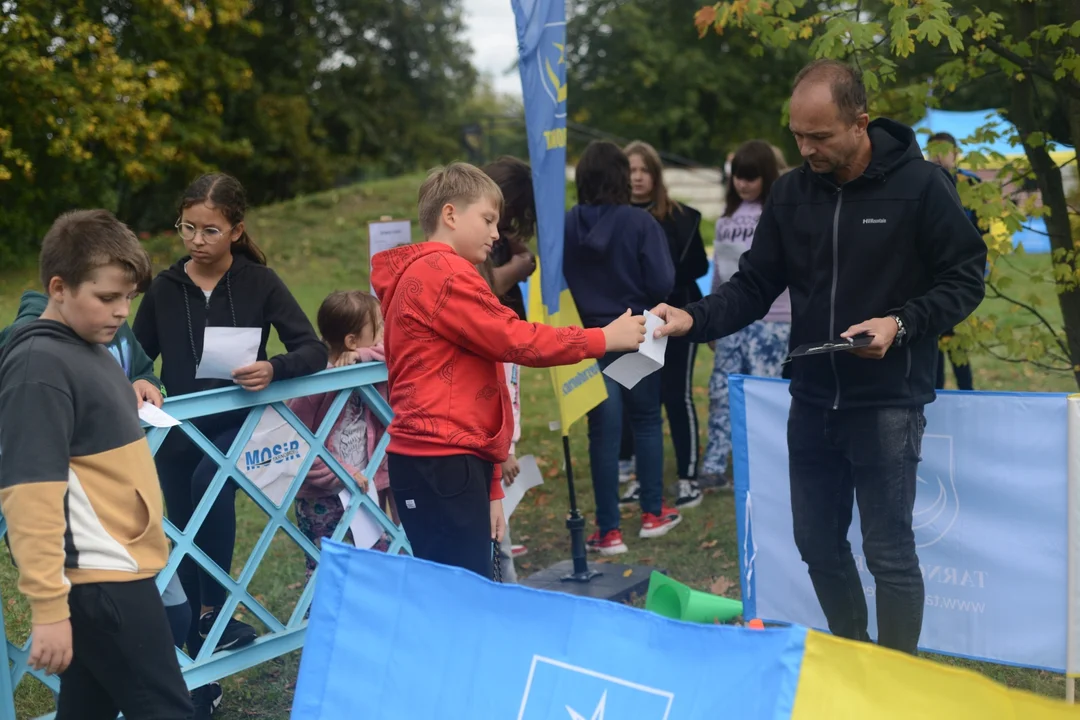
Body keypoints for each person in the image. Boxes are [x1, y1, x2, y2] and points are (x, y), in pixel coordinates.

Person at [651, 59, 987, 655]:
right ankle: (856, 655)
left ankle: (897, 673)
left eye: (820, 136)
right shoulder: (790, 193)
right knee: (817, 546)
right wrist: (691, 317)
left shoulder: (922, 186)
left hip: (887, 401)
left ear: (860, 123)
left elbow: (965, 279)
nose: (805, 148)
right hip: (810, 400)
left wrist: (901, 323)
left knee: (888, 553)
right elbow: (754, 285)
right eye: (796, 135)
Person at [371, 162, 645, 578]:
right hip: (442, 460)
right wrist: (604, 339)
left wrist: (493, 486)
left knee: (454, 588)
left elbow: (483, 376)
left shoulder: (422, 272)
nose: (496, 233)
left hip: (439, 458)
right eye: (487, 220)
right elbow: (516, 340)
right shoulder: (445, 275)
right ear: (450, 215)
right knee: (465, 596)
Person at [0, 210, 192, 719]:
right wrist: (48, 610)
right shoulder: (38, 366)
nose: (122, 311)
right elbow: (29, 494)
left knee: (89, 711)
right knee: (167, 710)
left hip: (110, 571)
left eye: (129, 298)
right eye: (107, 297)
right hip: (102, 580)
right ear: (58, 288)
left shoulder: (86, 349)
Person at [133, 173, 327, 666]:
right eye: (188, 228)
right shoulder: (164, 288)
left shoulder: (259, 282)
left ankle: (214, 611)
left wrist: (274, 367)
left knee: (209, 480)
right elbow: (136, 354)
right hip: (180, 428)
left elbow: (313, 349)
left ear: (236, 230)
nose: (197, 241)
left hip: (242, 423)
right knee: (182, 524)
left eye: (210, 230)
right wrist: (139, 378)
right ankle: (201, 652)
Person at [563, 140, 679, 556]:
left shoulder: (566, 224)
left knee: (602, 435)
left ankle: (608, 531)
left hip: (589, 338)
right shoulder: (640, 223)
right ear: (620, 177)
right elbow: (664, 282)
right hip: (638, 332)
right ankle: (652, 513)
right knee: (647, 421)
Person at [619, 140, 710, 510]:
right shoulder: (616, 218)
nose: (638, 177)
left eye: (644, 170)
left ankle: (688, 477)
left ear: (656, 175)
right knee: (640, 400)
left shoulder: (681, 217)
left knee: (677, 395)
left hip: (677, 318)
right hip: (634, 322)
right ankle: (642, 477)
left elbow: (699, 268)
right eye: (631, 170)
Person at [702, 140, 791, 489]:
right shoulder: (726, 220)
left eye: (751, 177)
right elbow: (719, 272)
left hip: (775, 320)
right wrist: (712, 315)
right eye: (739, 177)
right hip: (731, 320)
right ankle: (714, 463)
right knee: (722, 391)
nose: (744, 184)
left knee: (766, 393)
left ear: (766, 177)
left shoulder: (779, 213)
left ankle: (768, 465)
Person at [286, 291, 390, 577]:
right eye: (378, 328)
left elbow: (398, 350)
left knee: (375, 561)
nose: (384, 335)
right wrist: (340, 473)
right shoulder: (316, 383)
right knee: (327, 571)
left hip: (365, 490)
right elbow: (295, 441)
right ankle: (324, 620)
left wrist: (363, 355)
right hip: (322, 498)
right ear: (351, 340)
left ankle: (370, 620)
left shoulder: (367, 365)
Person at [480, 156, 540, 578]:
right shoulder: (473, 239)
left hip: (506, 345)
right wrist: (515, 269)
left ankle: (500, 529)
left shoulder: (498, 230)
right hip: (492, 347)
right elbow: (481, 286)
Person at [927, 131, 980, 391]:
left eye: (943, 150)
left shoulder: (971, 185)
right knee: (933, 343)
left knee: (958, 345)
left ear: (955, 153)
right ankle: (935, 393)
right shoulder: (922, 184)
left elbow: (983, 233)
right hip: (930, 281)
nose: (937, 156)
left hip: (960, 279)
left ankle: (966, 393)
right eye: (932, 151)